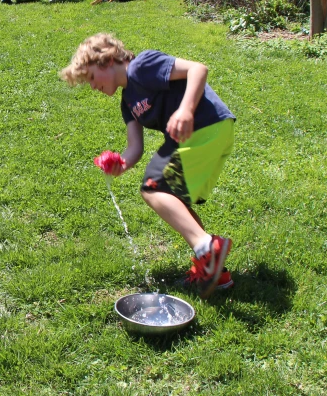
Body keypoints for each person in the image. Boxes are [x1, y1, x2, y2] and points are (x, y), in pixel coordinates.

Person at [59, 33, 236, 299]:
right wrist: (121, 163)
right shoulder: (127, 102)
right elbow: (135, 148)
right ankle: (214, 270)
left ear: (107, 60)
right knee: (171, 196)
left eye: (92, 78)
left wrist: (186, 109)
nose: (93, 87)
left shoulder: (143, 66)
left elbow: (198, 69)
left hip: (205, 124)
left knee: (153, 188)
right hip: (197, 135)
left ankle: (207, 247)